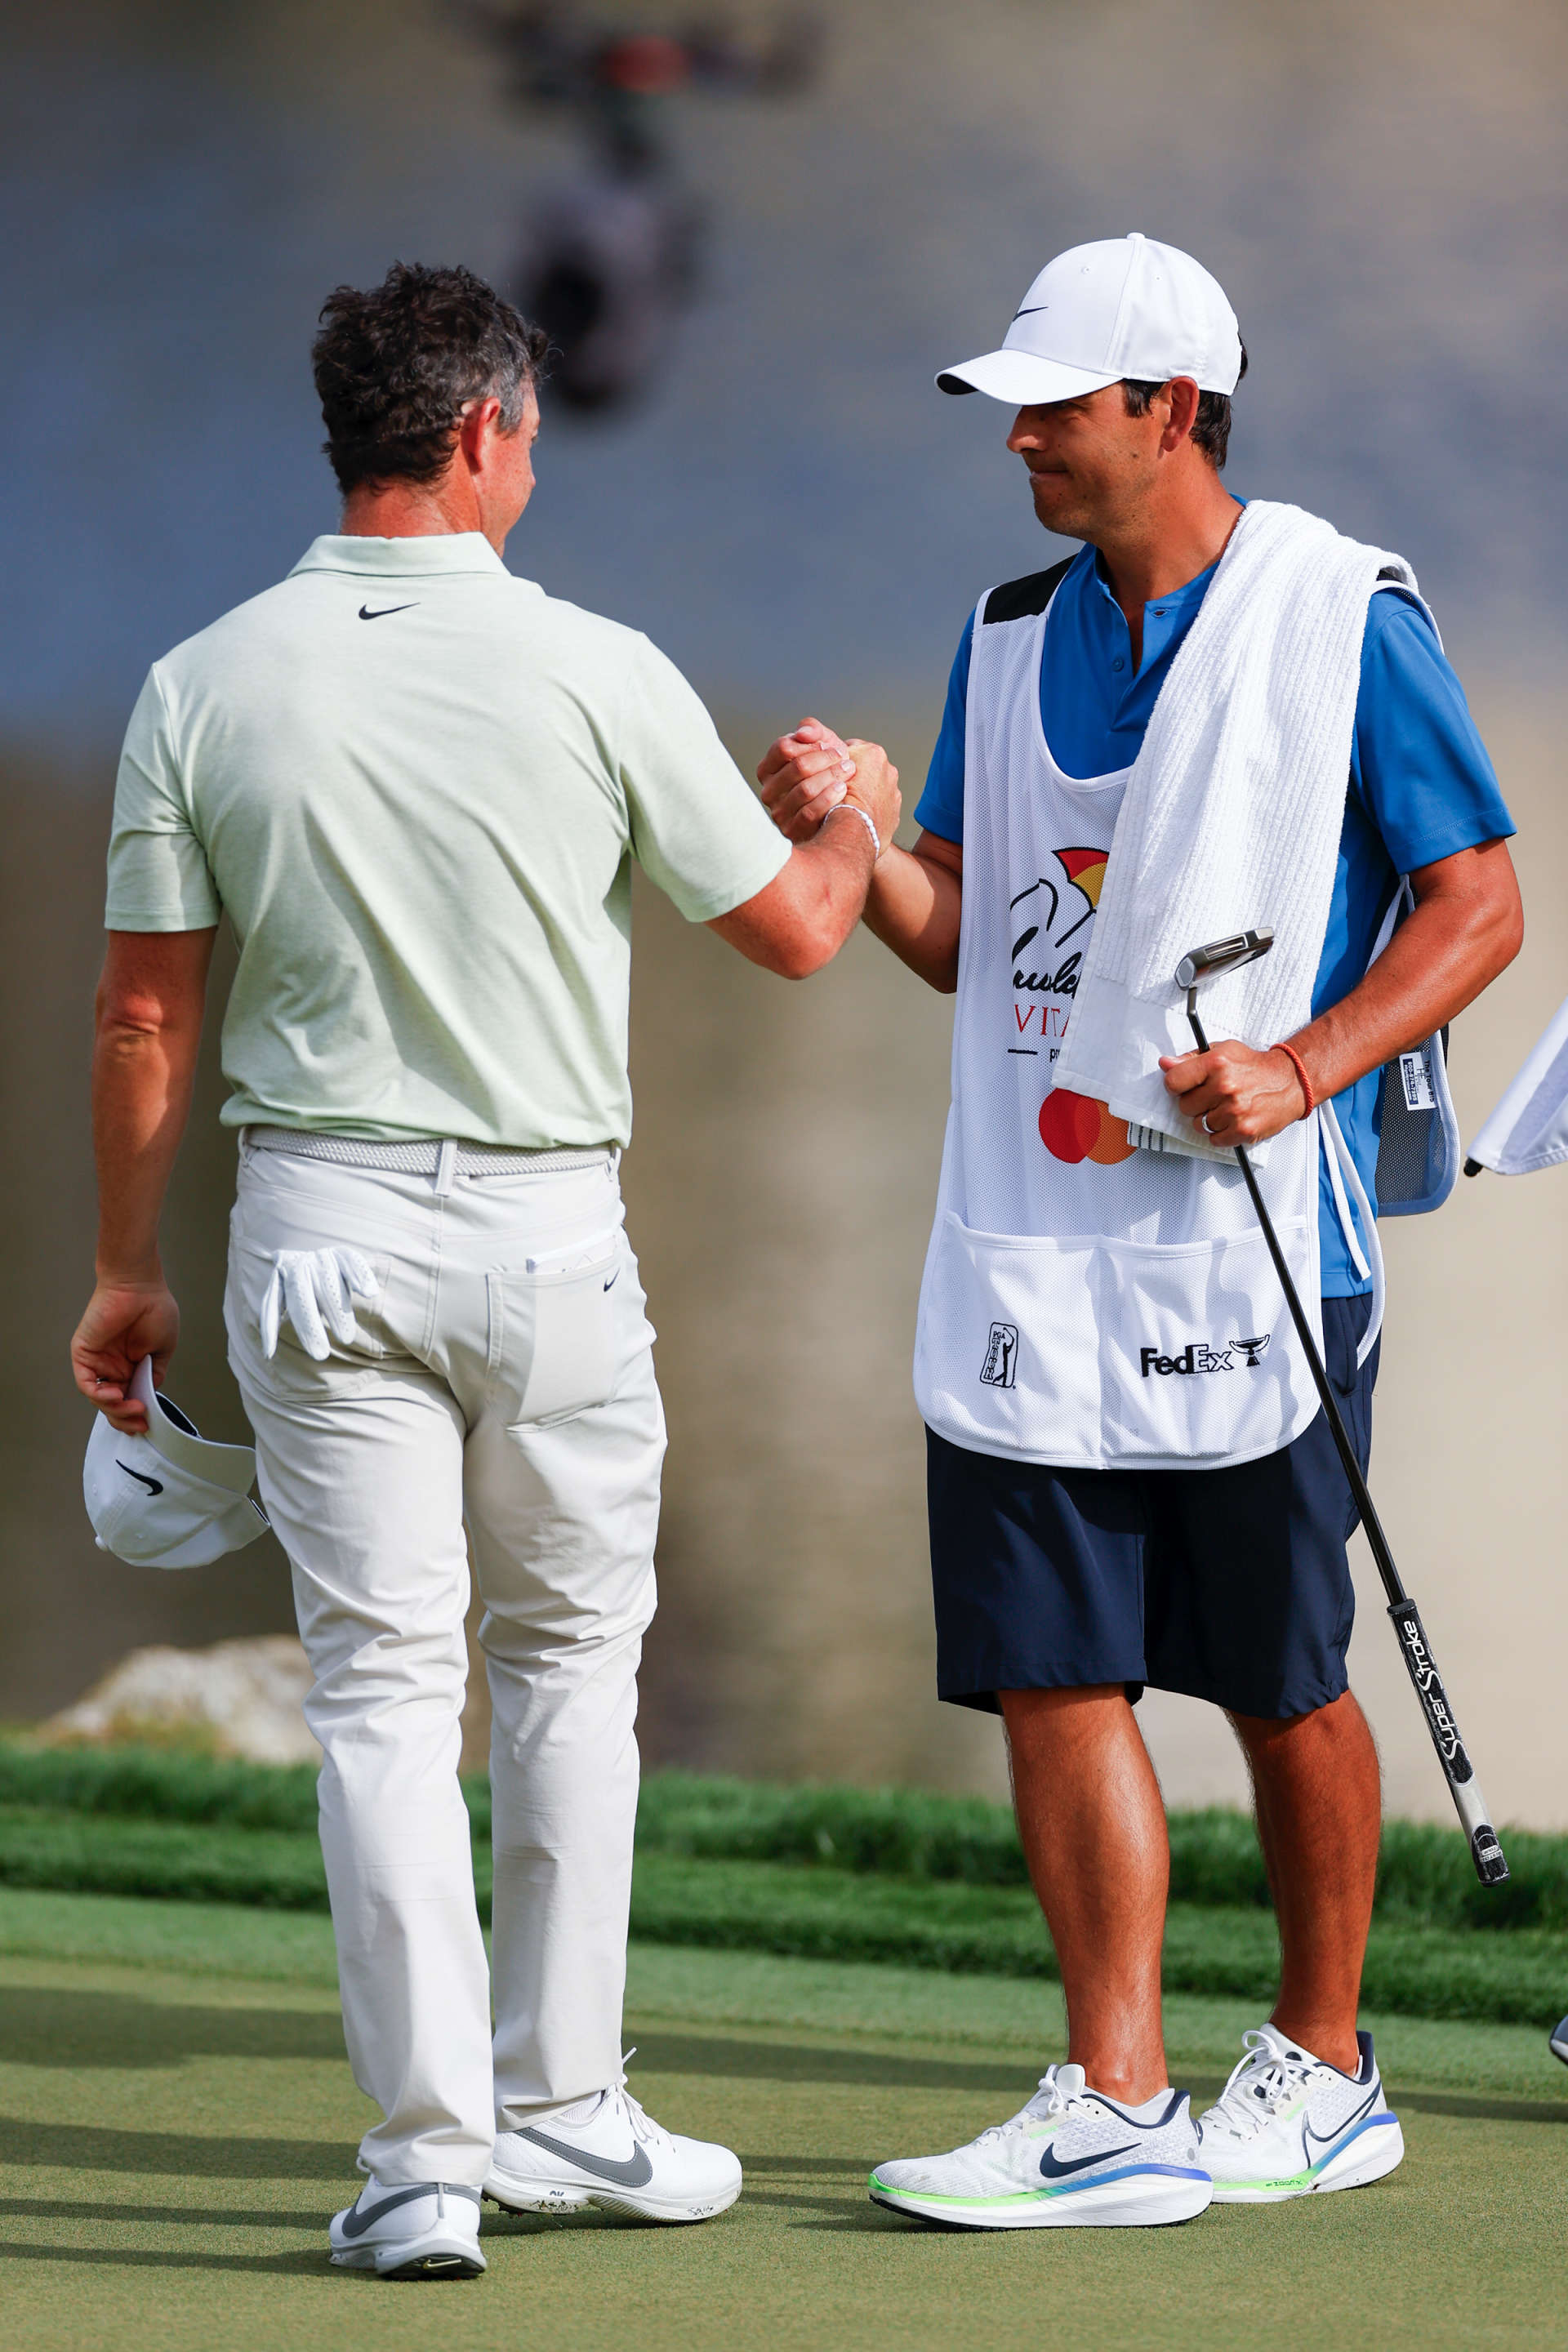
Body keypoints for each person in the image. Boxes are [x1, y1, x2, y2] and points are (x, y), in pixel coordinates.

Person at [71, 260, 898, 2281]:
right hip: (545, 1241)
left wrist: (120, 1277)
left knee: (378, 1697)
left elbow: (143, 1024)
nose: (531, 458)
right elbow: (798, 932)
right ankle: (567, 2110)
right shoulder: (599, 668)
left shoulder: (199, 679)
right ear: (477, 437)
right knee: (566, 1678)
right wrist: (863, 816)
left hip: (314, 1239)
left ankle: (425, 2162)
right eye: (526, 431)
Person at [760, 234, 1521, 2229]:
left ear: (1169, 407)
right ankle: (1115, 2094)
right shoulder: (1007, 630)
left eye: (1057, 404)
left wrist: (1310, 1058)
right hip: (1026, 1240)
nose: (1017, 435)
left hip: (1263, 1241)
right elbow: (954, 931)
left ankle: (1330, 2062)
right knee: (1050, 1674)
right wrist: (851, 829)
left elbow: (1479, 904)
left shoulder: (1341, 614)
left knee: (1279, 1680)